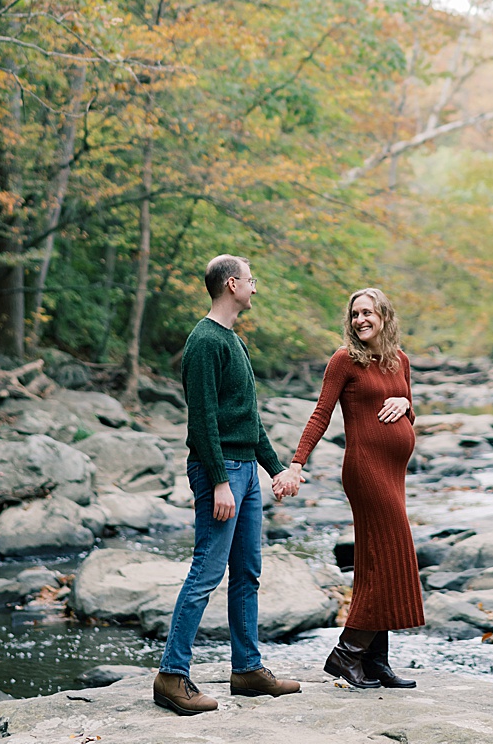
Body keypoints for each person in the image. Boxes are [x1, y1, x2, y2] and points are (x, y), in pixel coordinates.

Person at [153, 255, 303, 716]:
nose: (255, 289)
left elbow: (247, 420)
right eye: (252, 281)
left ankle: (248, 670)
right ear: (232, 283)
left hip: (246, 473)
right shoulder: (204, 341)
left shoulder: (233, 341)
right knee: (206, 573)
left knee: (248, 574)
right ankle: (171, 676)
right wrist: (219, 481)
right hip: (221, 474)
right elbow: (201, 421)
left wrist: (275, 468)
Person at [279, 287, 422, 689]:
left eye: (368, 313)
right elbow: (322, 413)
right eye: (355, 313)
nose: (360, 319)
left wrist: (406, 406)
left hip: (394, 473)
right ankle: (347, 654)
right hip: (365, 470)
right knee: (389, 556)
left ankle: (376, 661)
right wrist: (296, 463)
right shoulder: (345, 360)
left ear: (385, 318)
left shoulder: (400, 361)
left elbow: (409, 405)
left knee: (381, 559)